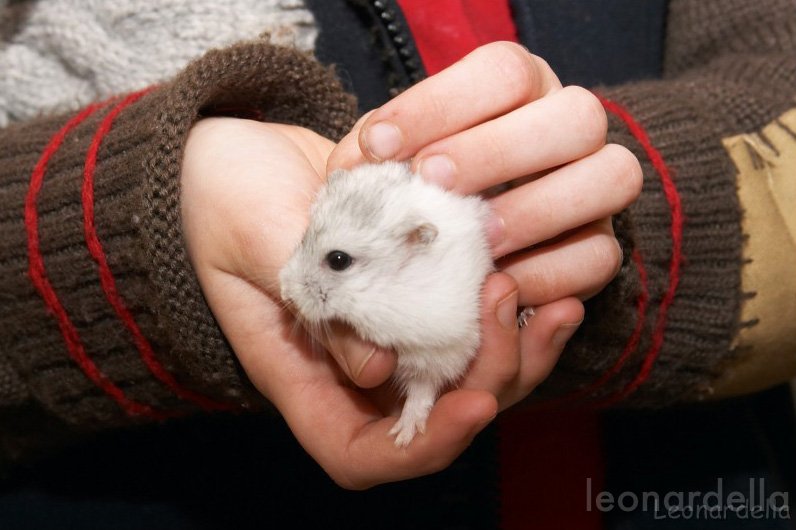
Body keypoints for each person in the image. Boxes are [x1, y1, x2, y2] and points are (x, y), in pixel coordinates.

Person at [0, 0, 794, 505]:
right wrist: (141, 226)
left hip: (695, 473)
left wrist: (603, 224)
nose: (294, 282)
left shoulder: (428, 246)